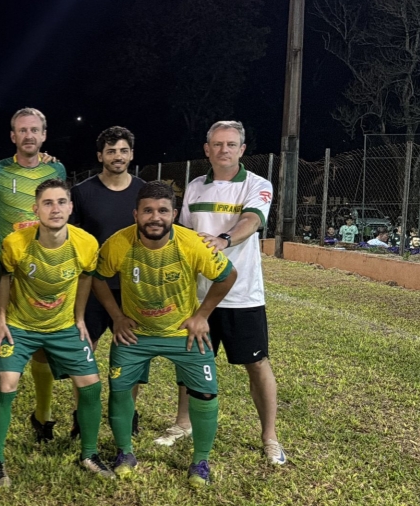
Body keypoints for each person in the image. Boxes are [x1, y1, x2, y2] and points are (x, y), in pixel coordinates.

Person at [92, 180, 237, 486]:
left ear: (174, 214)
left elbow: (228, 275)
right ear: (136, 214)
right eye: (147, 211)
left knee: (206, 393)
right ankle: (124, 453)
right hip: (136, 334)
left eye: (162, 210)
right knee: (119, 389)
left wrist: (202, 316)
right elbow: (98, 278)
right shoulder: (118, 243)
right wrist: (116, 316)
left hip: (183, 333)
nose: (155, 217)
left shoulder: (192, 243)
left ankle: (200, 461)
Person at [161, 121, 287, 466]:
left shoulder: (257, 184)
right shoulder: (195, 188)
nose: (224, 150)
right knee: (191, 359)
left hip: (242, 294)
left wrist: (224, 240)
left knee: (256, 363)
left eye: (231, 144)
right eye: (217, 144)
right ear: (207, 149)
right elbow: (184, 235)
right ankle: (183, 423)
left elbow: (252, 221)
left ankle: (270, 437)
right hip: (199, 295)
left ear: (242, 149)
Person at [0, 180, 103, 486]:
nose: (55, 209)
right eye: (48, 203)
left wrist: (79, 317)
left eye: (61, 202)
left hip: (63, 326)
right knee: (6, 384)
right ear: (36, 209)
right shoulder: (15, 242)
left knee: (91, 386)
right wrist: (1, 319)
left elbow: (86, 278)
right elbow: (5, 279)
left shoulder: (86, 243)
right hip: (21, 326)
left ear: (71, 207)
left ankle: (89, 454)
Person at [0, 108, 67, 444]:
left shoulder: (56, 169)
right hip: (3, 275)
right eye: (22, 130)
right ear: (13, 136)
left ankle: (43, 416)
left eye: (34, 130)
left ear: (44, 135)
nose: (28, 136)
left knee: (41, 349)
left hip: (41, 275)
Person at [69, 126, 145, 440]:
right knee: (84, 350)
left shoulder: (143, 191)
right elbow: (71, 238)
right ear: (100, 155)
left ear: (131, 154)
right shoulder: (82, 192)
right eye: (111, 151)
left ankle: (128, 413)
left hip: (132, 288)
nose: (118, 156)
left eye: (123, 150)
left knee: (132, 352)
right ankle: (81, 415)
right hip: (92, 286)